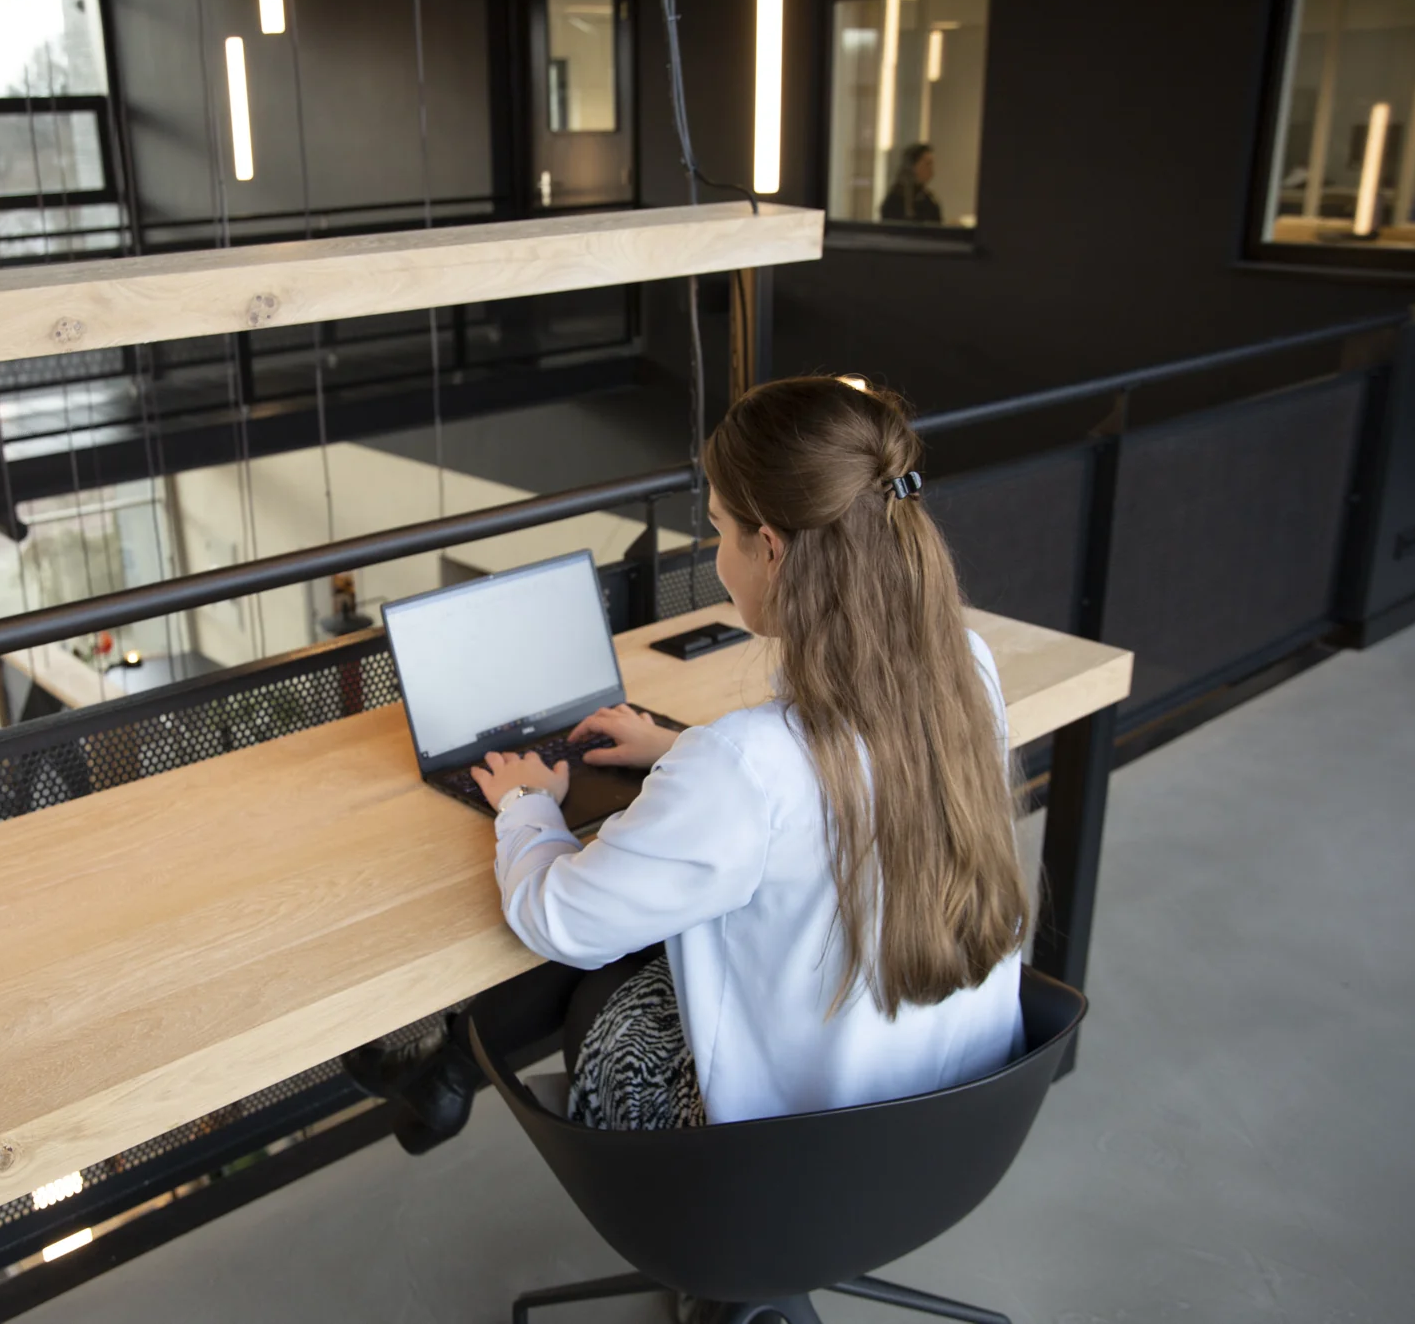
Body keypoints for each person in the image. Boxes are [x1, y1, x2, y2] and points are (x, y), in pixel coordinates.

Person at [348, 375, 1028, 1145]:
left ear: (770, 548)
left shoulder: (745, 768)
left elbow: (558, 917)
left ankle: (445, 1071)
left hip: (788, 1158)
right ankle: (443, 1074)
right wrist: (679, 752)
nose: (715, 555)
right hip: (959, 1112)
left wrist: (525, 802)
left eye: (717, 528)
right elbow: (838, 785)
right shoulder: (964, 666)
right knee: (657, 895)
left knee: (606, 956)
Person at [880, 143, 943, 224]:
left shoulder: (928, 198)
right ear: (913, 166)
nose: (931, 170)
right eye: (927, 164)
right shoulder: (897, 199)